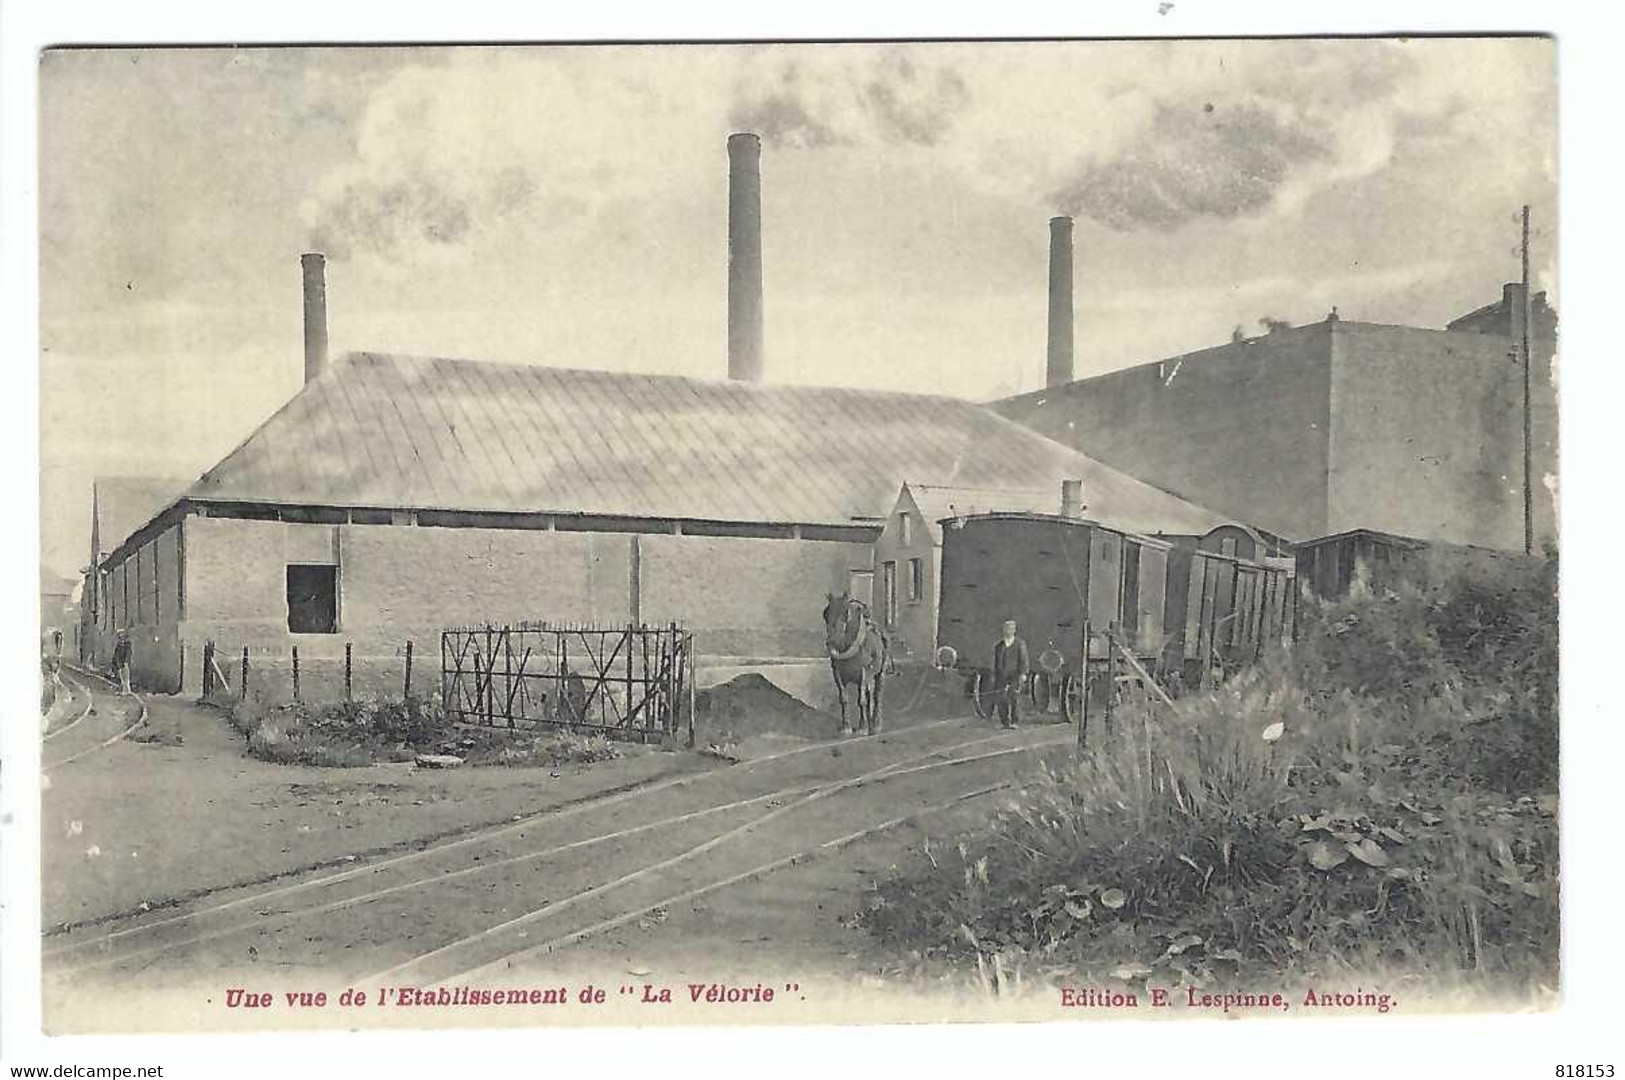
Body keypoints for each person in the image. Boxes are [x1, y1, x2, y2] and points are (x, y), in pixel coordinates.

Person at [992, 618, 1029, 729]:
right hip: (1001, 675)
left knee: (1014, 698)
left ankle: (1014, 721)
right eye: (1006, 629)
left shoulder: (1019, 644)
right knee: (1001, 698)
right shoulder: (999, 645)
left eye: (1010, 629)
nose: (1008, 631)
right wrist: (995, 673)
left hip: (1014, 675)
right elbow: (995, 661)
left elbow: (1023, 659)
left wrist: (1023, 673)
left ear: (1014, 630)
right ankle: (1004, 721)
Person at [111, 629, 133, 695]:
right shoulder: (118, 645)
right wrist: (117, 663)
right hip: (119, 663)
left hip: (125, 663)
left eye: (122, 636)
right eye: (120, 637)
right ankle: (124, 690)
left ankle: (127, 690)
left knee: (126, 676)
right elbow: (116, 655)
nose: (121, 638)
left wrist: (126, 662)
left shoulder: (127, 645)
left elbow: (128, 654)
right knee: (121, 677)